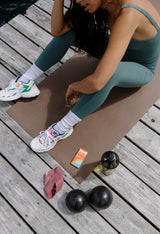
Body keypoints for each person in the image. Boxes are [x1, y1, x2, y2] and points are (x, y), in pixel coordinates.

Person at [0, 0, 160, 153]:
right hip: (117, 48)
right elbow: (58, 31)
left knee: (111, 74)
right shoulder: (103, 1)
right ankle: (26, 81)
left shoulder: (129, 13)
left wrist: (74, 86)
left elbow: (97, 82)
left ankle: (62, 128)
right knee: (70, 33)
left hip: (140, 66)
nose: (78, 1)